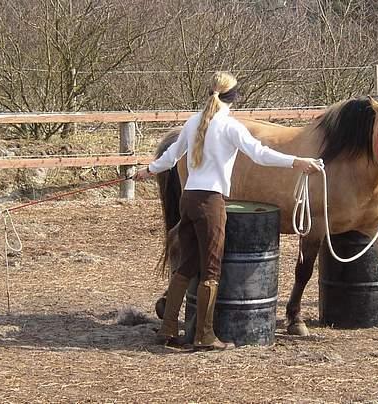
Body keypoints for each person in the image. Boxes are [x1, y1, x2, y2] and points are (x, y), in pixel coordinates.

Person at [135, 71, 322, 351]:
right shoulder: (229, 127)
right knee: (211, 269)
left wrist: (147, 170)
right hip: (211, 202)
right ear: (234, 97)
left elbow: (172, 157)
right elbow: (260, 154)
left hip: (189, 198)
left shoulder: (193, 122)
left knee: (187, 265)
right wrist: (297, 162)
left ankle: (168, 329)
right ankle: (204, 335)